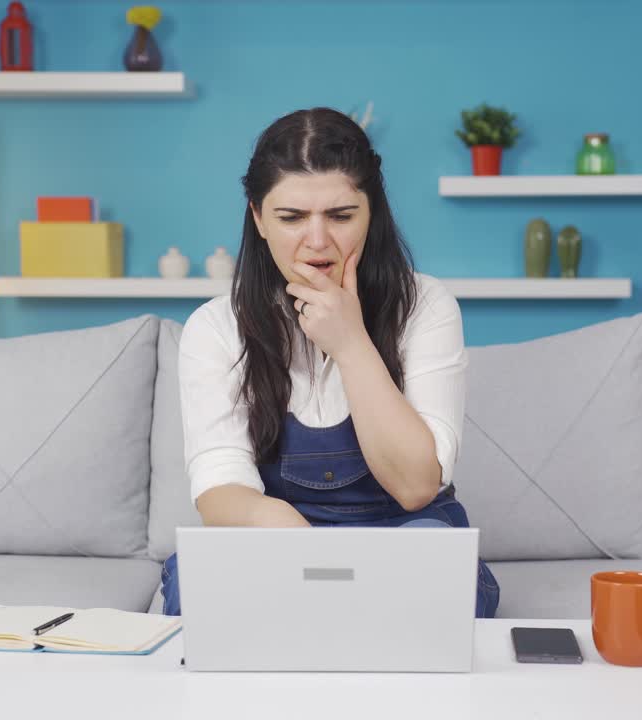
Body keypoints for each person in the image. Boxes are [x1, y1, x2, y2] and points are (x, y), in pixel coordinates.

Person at [160, 107, 500, 618]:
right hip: (276, 535)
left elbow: (415, 487)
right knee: (196, 577)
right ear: (257, 216)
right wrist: (296, 543)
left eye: (341, 216)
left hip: (402, 534)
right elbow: (218, 487)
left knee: (434, 559)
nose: (317, 242)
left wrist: (351, 342)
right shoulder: (216, 327)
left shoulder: (426, 307)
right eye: (291, 218)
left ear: (372, 212)